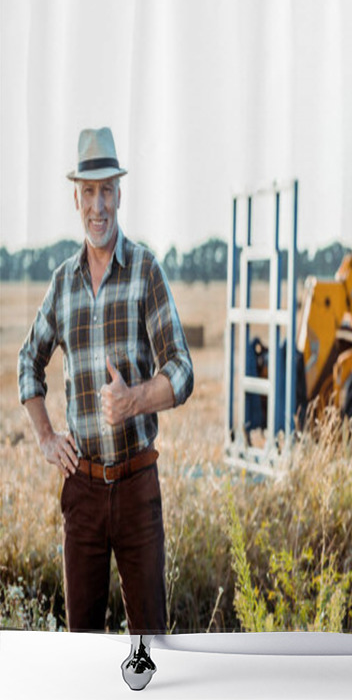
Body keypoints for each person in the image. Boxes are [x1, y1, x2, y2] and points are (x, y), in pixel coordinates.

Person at [17, 127, 193, 658]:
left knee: (152, 651)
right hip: (84, 493)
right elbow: (28, 362)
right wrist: (47, 438)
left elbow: (182, 369)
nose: (98, 205)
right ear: (76, 199)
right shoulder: (62, 283)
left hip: (139, 487)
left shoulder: (145, 270)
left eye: (107, 191)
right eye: (88, 193)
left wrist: (135, 399)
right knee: (82, 655)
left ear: (120, 195)